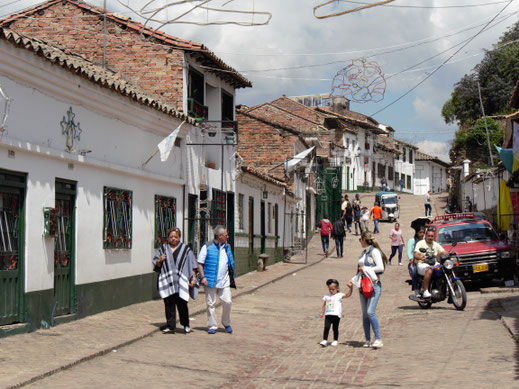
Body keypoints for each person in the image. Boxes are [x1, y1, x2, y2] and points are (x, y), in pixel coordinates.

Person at [152, 227, 198, 334]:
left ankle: (186, 324)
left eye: (175, 237)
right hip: (168, 282)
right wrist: (160, 260)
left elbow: (192, 265)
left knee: (182, 303)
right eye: (171, 237)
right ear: (168, 238)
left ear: (179, 238)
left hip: (181, 281)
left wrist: (193, 278)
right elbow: (156, 263)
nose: (173, 239)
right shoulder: (163, 249)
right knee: (169, 304)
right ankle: (170, 325)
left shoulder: (186, 250)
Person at [347, 231, 387, 348]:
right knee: (365, 314)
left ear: (365, 240)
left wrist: (366, 269)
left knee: (370, 312)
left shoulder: (374, 251)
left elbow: (380, 267)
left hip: (373, 285)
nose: (360, 242)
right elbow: (359, 271)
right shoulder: (364, 252)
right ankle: (368, 339)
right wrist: (352, 280)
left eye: (360, 240)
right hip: (363, 285)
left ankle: (378, 338)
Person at [198, 225, 236, 334]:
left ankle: (226, 322)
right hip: (210, 280)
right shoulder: (207, 246)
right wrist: (203, 277)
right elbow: (200, 263)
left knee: (227, 301)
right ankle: (212, 325)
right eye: (226, 235)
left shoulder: (227, 248)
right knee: (211, 303)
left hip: (224, 281)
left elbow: (230, 264)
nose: (227, 236)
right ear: (219, 236)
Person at [414, 229, 447, 299]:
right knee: (429, 269)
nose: (430, 237)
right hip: (422, 264)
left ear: (434, 237)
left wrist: (451, 254)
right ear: (425, 236)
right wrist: (420, 258)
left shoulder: (435, 244)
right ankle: (425, 290)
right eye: (428, 236)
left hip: (434, 263)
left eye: (432, 236)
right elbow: (416, 254)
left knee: (446, 268)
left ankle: (446, 288)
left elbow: (443, 252)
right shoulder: (420, 243)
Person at [319, 279, 352, 347]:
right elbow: (324, 304)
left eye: (333, 289)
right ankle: (325, 340)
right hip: (328, 314)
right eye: (330, 289)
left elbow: (348, 295)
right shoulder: (327, 296)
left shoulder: (339, 295)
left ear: (337, 289)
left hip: (336, 315)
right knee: (326, 327)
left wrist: (351, 288)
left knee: (335, 328)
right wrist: (322, 312)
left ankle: (335, 340)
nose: (331, 291)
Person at [407, 226, 425, 296]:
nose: (422, 234)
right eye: (420, 232)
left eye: (423, 232)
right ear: (417, 233)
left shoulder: (425, 241)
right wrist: (412, 260)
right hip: (414, 262)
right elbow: (409, 252)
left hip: (424, 261)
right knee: (414, 271)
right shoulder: (412, 241)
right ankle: (416, 289)